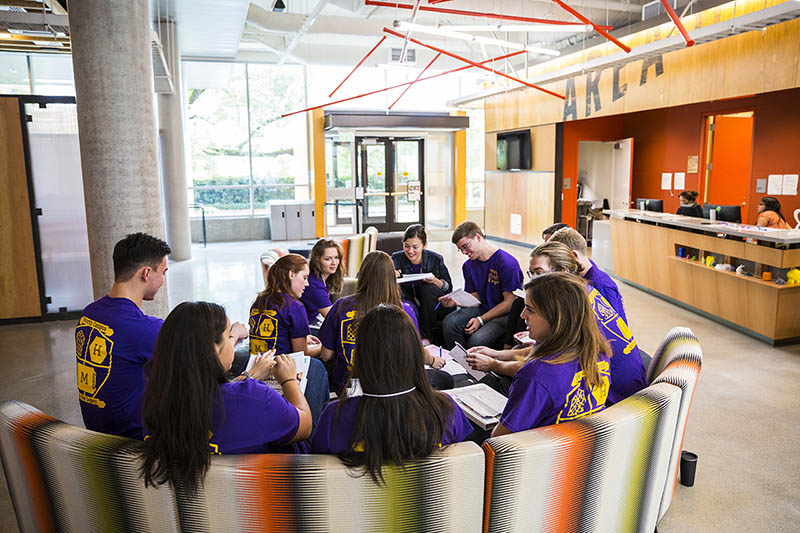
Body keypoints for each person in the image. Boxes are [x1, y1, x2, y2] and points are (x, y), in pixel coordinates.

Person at [75, 233, 247, 439]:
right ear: (146, 273)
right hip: (136, 439)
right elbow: (210, 364)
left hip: (97, 432)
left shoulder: (90, 313)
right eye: (163, 272)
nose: (163, 280)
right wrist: (233, 336)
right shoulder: (145, 329)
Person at [139, 302, 312, 493]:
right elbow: (304, 425)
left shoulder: (154, 401)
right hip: (259, 499)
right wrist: (289, 380)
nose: (233, 343)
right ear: (214, 349)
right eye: (230, 337)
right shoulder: (254, 397)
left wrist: (249, 375)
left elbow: (210, 391)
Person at [310, 304, 473, 482]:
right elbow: (464, 466)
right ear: (414, 353)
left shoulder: (334, 416)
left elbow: (318, 473)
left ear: (362, 354)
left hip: (359, 506)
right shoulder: (445, 409)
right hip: (426, 505)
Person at [483, 241, 645, 404]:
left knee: (506, 384)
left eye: (539, 274)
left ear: (563, 272)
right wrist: (495, 356)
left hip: (612, 399)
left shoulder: (571, 310)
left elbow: (543, 369)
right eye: (530, 274)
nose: (532, 281)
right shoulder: (583, 293)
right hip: (616, 388)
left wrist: (494, 364)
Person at [488, 273, 612, 437]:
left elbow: (499, 441)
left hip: (542, 455)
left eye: (530, 310)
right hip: (581, 446)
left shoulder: (537, 374)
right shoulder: (597, 350)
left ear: (556, 317)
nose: (522, 315)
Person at [319, 251, 444, 393]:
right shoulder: (405, 311)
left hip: (348, 388)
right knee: (445, 379)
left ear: (362, 275)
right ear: (392, 277)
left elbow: (326, 355)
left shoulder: (341, 306)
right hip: (393, 388)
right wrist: (433, 361)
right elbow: (416, 353)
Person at [440, 221, 524, 350]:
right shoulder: (468, 265)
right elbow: (476, 296)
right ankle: (460, 364)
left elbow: (510, 303)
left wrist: (481, 320)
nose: (464, 252)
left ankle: (475, 366)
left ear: (478, 237)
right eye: (460, 249)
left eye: (465, 246)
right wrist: (456, 301)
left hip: (505, 314)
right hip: (483, 307)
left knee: (477, 340)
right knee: (449, 323)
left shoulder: (507, 263)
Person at [549, 226, 628, 322]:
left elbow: (610, 328)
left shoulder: (600, 285)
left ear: (574, 256)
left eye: (558, 261)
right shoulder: (581, 273)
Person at [391, 224, 454, 345]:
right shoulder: (396, 258)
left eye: (415, 247)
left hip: (435, 302)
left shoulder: (435, 259)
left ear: (424, 245)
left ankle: (426, 336)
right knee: (397, 289)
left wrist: (436, 281)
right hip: (410, 300)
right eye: (406, 246)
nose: (410, 251)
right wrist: (390, 273)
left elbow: (448, 287)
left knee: (428, 288)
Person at [250, 253, 321, 358]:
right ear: (291, 274)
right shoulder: (295, 307)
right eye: (304, 278)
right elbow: (301, 354)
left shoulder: (259, 300)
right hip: (281, 367)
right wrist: (323, 347)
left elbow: (275, 332)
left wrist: (303, 337)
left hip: (256, 365)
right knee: (320, 364)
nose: (307, 284)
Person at [301, 239, 346, 326]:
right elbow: (333, 318)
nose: (334, 263)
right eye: (328, 259)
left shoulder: (319, 278)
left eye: (336, 258)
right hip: (308, 330)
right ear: (317, 260)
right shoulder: (314, 285)